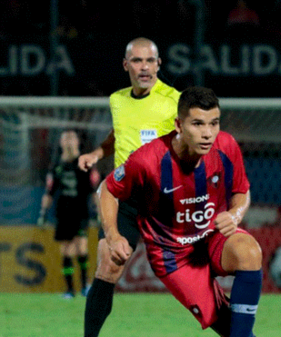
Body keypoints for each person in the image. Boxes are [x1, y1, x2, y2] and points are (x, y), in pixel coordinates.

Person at [98, 86, 262, 336]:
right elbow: (107, 189)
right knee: (230, 327)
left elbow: (242, 190)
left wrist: (236, 214)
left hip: (212, 237)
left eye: (214, 123)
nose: (208, 133)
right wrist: (113, 235)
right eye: (197, 124)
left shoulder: (226, 145)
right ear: (178, 124)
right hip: (174, 257)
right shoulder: (147, 160)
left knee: (249, 252)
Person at [78, 37, 184, 336]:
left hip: (165, 201)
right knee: (109, 266)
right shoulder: (117, 100)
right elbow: (119, 133)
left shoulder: (175, 101)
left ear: (159, 64)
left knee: (203, 270)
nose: (144, 67)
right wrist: (98, 153)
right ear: (126, 65)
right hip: (123, 198)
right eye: (137, 61)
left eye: (150, 60)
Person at [38, 130, 99, 299]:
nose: (69, 141)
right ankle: (70, 290)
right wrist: (43, 214)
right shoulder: (56, 166)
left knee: (81, 247)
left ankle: (85, 286)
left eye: (72, 138)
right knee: (66, 251)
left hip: (81, 212)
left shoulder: (85, 164)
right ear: (61, 143)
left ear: (78, 142)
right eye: (66, 138)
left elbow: (93, 190)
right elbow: (49, 193)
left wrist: (97, 211)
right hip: (63, 213)